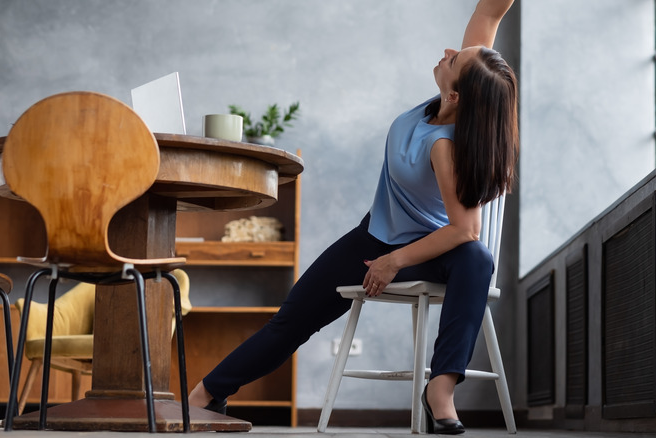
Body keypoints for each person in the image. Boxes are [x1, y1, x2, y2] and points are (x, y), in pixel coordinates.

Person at [189, 0, 518, 434]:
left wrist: (394, 261)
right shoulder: (460, 92)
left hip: (429, 251)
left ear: (454, 95)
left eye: (455, 58)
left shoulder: (447, 148)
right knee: (291, 320)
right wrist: (381, 254)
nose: (449, 51)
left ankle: (440, 388)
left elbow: (466, 229)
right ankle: (206, 393)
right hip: (371, 239)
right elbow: (491, 13)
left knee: (477, 257)